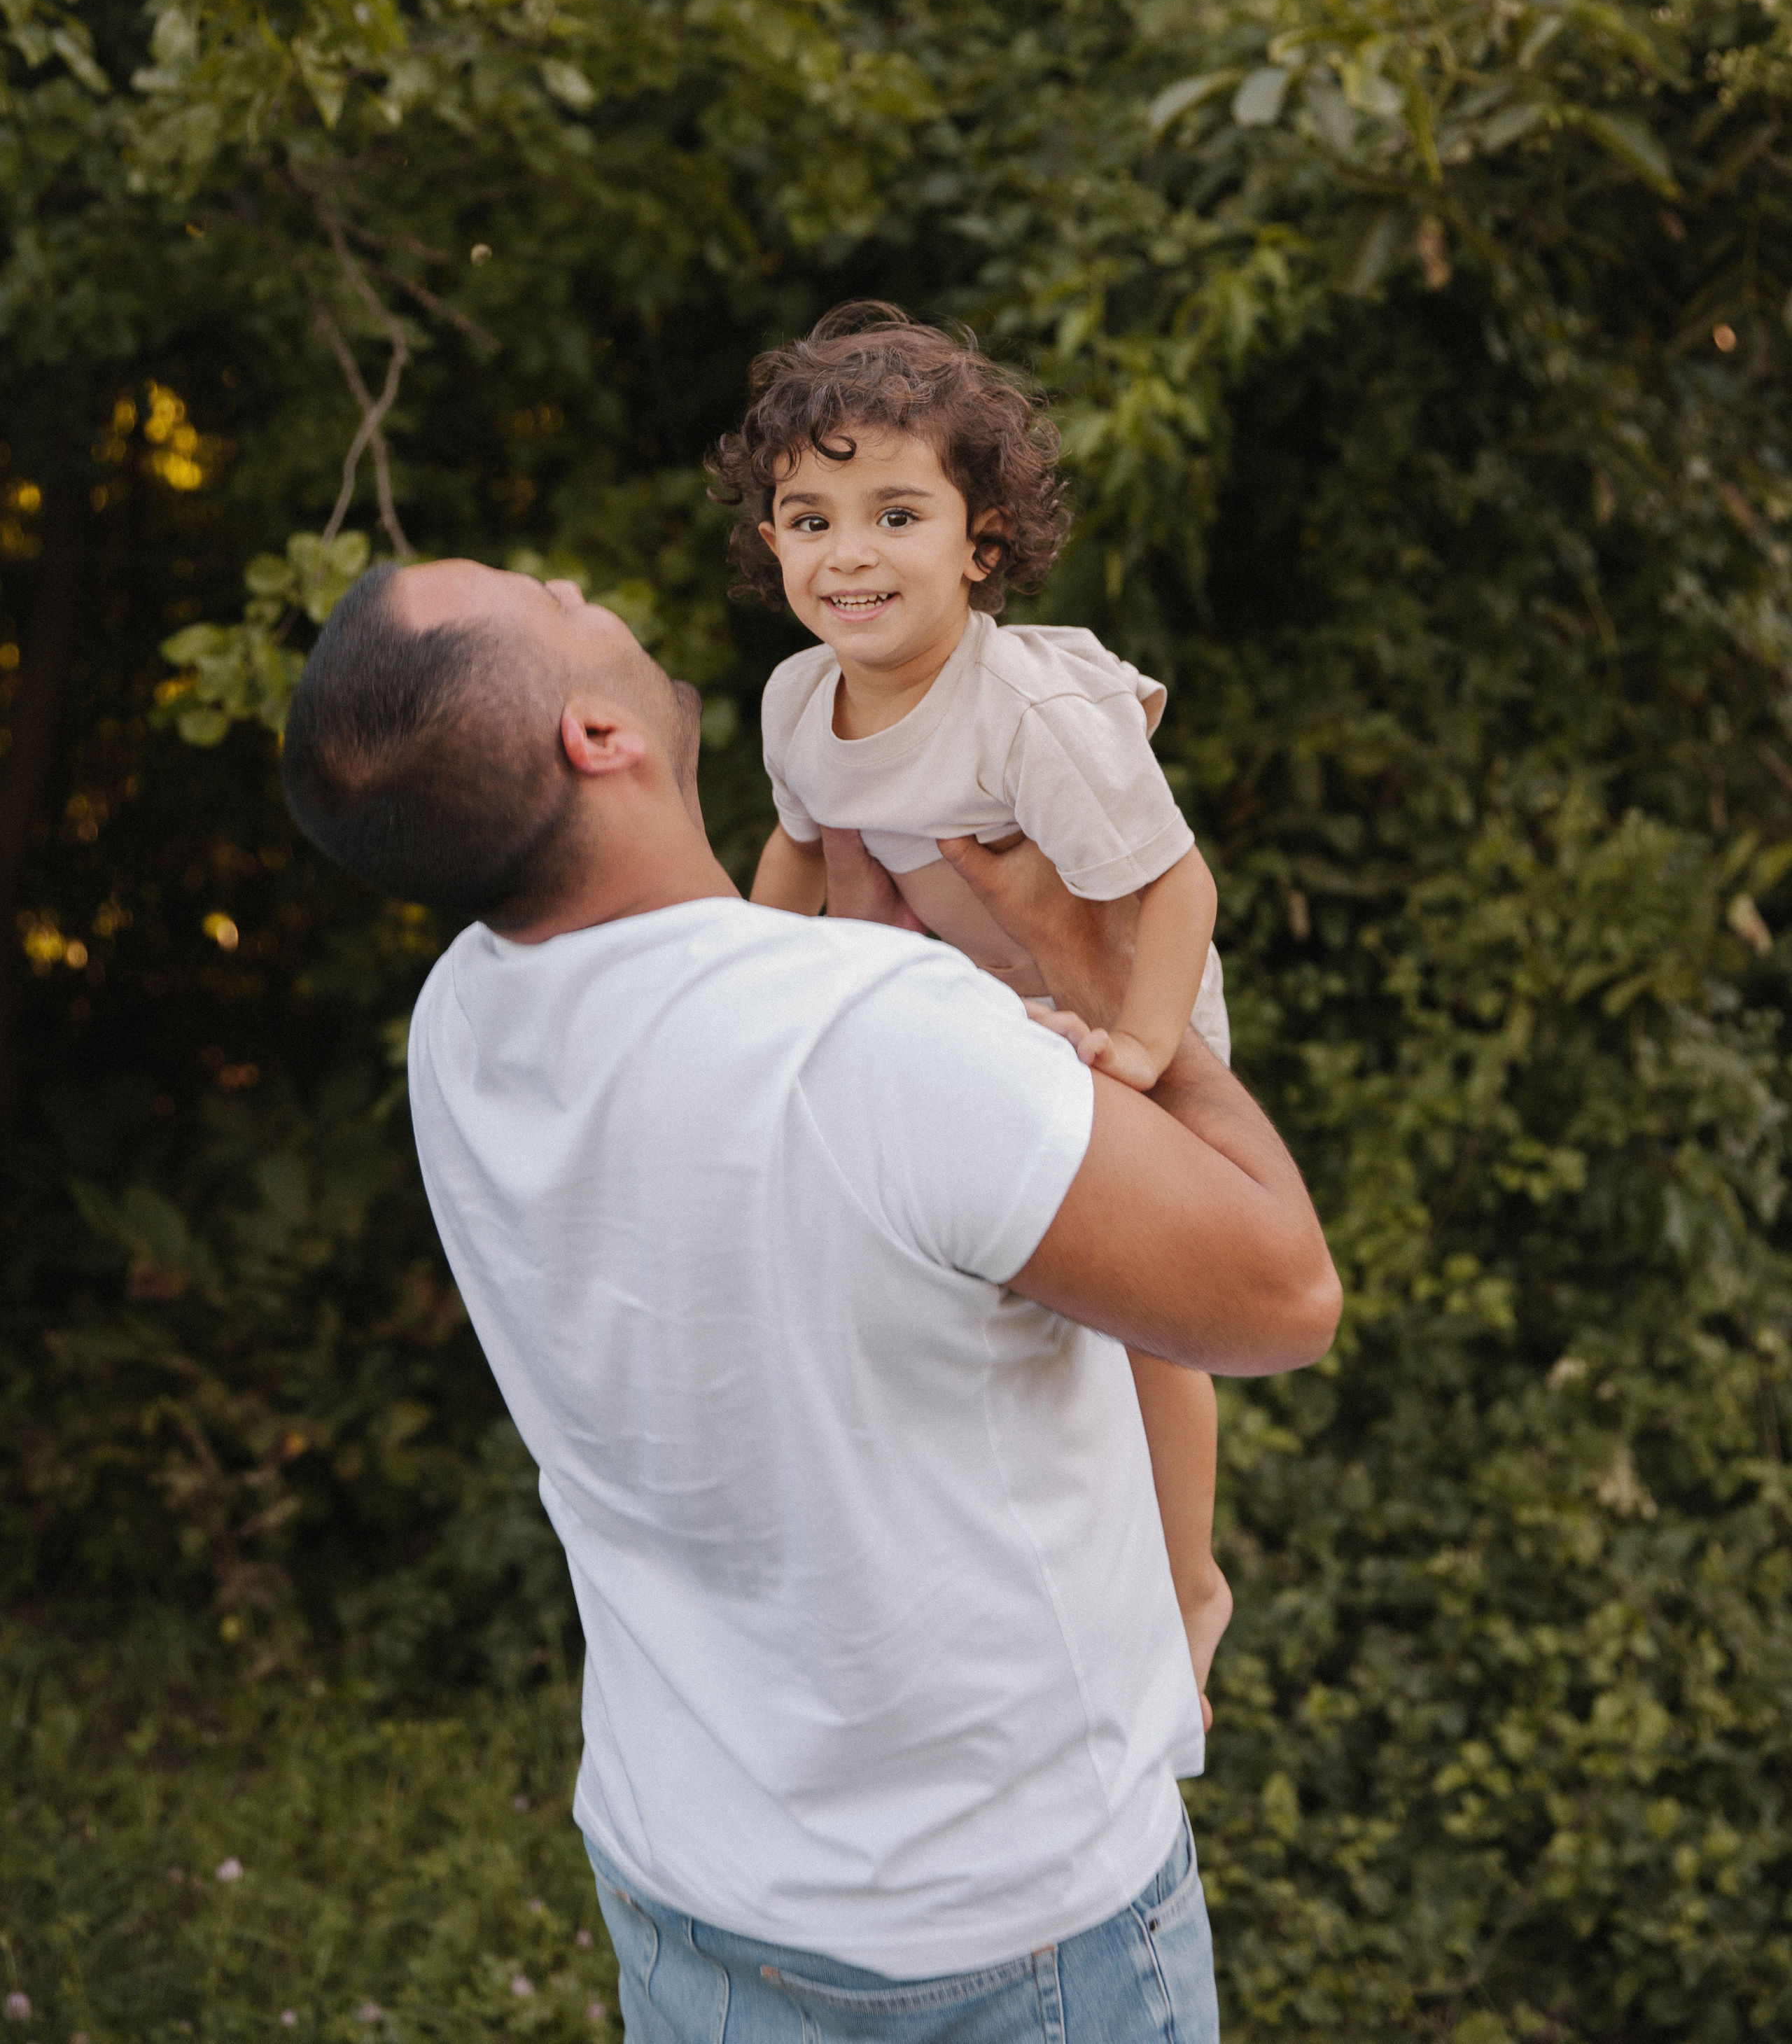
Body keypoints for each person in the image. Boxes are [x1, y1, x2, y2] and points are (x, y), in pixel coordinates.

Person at [280, 556, 1340, 2043]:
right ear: (599, 735)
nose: (577, 582)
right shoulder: (883, 1042)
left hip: (686, 1892)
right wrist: (1099, 971)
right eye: (550, 598)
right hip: (1009, 1937)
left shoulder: (462, 1017)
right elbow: (1284, 1293)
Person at [708, 303, 1232, 1704]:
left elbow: (1176, 888)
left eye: (895, 514)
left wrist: (1140, 1052)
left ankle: (1188, 1580)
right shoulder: (793, 699)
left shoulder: (1021, 710)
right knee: (986, 1289)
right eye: (809, 519)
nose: (848, 553)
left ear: (980, 541)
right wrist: (741, 997)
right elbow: (799, 848)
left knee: (1147, 1309)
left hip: (1122, 1002)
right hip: (971, 1021)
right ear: (770, 540)